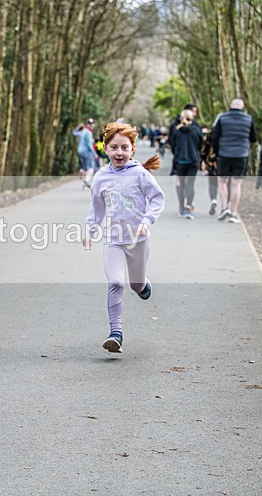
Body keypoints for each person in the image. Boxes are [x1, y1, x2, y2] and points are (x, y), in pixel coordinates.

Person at [83, 122, 164, 354]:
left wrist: (147, 221)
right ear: (105, 148)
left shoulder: (140, 174)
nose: (119, 152)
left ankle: (142, 285)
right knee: (115, 282)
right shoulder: (100, 177)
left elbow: (157, 199)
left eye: (124, 148)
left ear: (132, 149)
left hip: (138, 241)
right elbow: (96, 208)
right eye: (114, 147)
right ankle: (115, 333)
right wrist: (90, 230)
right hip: (113, 240)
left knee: (136, 284)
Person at [210, 98, 258, 224]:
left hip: (224, 154)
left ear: (231, 106)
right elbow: (253, 138)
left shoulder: (222, 118)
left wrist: (216, 152)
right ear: (242, 107)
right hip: (241, 155)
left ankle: (224, 207)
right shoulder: (248, 119)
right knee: (236, 184)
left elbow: (214, 137)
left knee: (222, 182)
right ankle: (233, 213)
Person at [170, 108, 203, 219]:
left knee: (181, 184)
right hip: (193, 161)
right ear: (191, 118)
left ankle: (181, 207)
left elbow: (172, 144)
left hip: (180, 161)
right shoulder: (196, 130)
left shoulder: (177, 131)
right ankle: (188, 207)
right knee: (190, 184)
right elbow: (200, 144)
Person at [74, 118, 99, 187]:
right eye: (91, 124)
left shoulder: (82, 131)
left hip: (80, 152)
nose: (91, 125)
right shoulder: (88, 132)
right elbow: (89, 145)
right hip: (86, 152)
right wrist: (95, 154)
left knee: (85, 168)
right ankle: (87, 180)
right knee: (91, 168)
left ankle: (83, 177)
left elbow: (74, 133)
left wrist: (77, 127)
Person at [200, 125, 219, 215]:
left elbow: (203, 150)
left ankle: (213, 199)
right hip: (225, 161)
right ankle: (225, 205)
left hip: (212, 162)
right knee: (226, 184)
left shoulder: (210, 135)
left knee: (212, 182)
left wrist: (203, 161)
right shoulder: (227, 133)